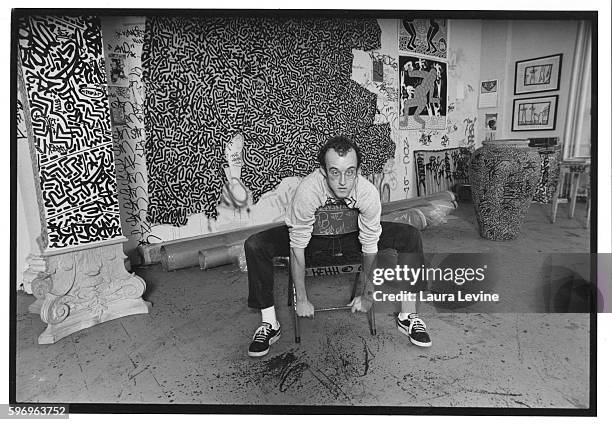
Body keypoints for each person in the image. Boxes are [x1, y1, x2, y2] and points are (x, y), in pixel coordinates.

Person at [244, 135, 431, 357]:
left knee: (409, 236)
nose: (343, 181)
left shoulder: (367, 192)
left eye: (350, 172)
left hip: (351, 236)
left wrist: (368, 295)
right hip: (314, 239)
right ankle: (269, 324)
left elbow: (370, 245)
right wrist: (301, 299)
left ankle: (407, 316)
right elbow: (297, 247)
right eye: (335, 172)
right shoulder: (308, 191)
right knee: (255, 245)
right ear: (323, 171)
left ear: (358, 171)